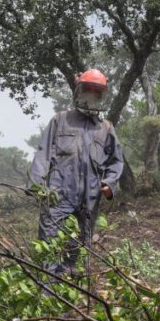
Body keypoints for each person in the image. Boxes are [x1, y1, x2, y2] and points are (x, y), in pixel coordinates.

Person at [29, 69, 124, 275]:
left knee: (80, 252)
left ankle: (75, 291)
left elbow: (116, 161)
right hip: (57, 198)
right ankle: (48, 291)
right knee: (50, 249)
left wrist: (110, 183)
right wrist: (38, 187)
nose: (92, 95)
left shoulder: (106, 128)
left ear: (102, 95)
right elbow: (43, 154)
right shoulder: (60, 120)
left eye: (96, 91)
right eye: (88, 89)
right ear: (79, 91)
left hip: (89, 201)